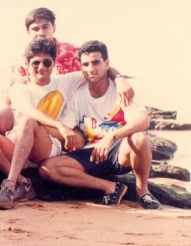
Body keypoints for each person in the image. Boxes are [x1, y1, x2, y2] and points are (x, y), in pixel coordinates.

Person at [39, 40, 162, 210]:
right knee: (48, 168)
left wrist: (112, 136)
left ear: (107, 63)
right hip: (90, 153)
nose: (91, 69)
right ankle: (110, 187)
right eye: (86, 64)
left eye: (96, 62)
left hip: (117, 150)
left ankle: (143, 192)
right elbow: (66, 127)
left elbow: (143, 120)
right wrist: (36, 126)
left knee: (139, 138)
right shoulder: (77, 95)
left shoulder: (120, 91)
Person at [0, 37, 86, 210]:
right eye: (36, 63)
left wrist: (120, 80)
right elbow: (28, 110)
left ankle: (9, 185)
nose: (42, 68)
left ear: (54, 63)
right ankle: (22, 182)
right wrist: (60, 126)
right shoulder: (18, 89)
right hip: (19, 145)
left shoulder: (65, 81)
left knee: (28, 122)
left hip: (45, 145)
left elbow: (100, 69)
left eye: (47, 62)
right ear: (27, 64)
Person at [0, 7, 134, 135]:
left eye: (45, 27)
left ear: (53, 27)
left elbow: (99, 68)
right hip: (37, 110)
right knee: (0, 121)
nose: (41, 33)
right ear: (28, 32)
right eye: (35, 29)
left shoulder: (72, 51)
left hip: (70, 110)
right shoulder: (22, 61)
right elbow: (12, 98)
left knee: (77, 137)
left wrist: (120, 80)